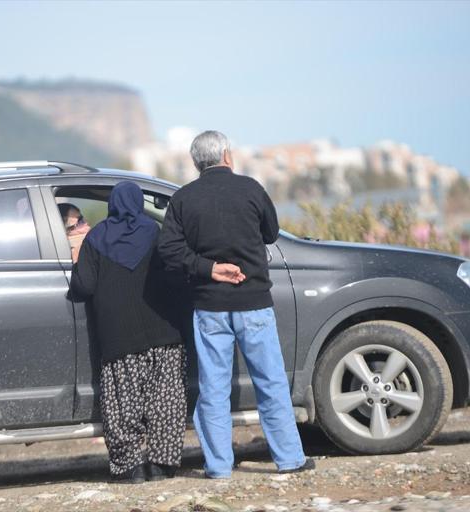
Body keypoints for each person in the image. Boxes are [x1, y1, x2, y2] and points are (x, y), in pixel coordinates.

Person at [158, 130, 314, 479]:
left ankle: (218, 466)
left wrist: (209, 268)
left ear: (196, 162)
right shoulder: (251, 189)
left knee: (213, 389)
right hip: (254, 302)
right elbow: (271, 233)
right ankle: (289, 459)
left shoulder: (182, 200)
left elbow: (168, 251)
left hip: (210, 306)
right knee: (270, 382)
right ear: (227, 155)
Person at [69, 181, 187, 484]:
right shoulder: (154, 232)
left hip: (119, 338)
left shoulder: (96, 238)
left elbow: (84, 286)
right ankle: (162, 466)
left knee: (123, 406)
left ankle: (130, 468)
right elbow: (174, 273)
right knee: (166, 402)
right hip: (164, 333)